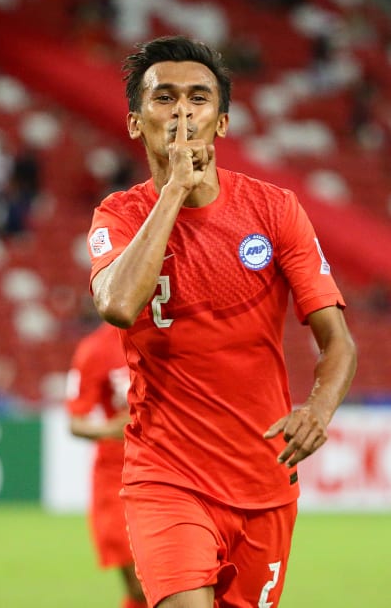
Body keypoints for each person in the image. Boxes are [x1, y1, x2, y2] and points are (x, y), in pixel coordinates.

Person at [86, 35, 357, 607]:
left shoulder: (274, 210)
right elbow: (116, 305)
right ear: (136, 123)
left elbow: (339, 344)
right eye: (163, 98)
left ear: (223, 121)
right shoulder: (118, 214)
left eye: (198, 97)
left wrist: (318, 409)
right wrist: (175, 190)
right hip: (166, 477)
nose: (182, 110)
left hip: (263, 482)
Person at [64, 322, 147, 608]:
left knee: (172, 581)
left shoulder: (168, 327)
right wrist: (113, 428)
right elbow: (76, 422)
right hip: (117, 477)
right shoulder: (95, 348)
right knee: (140, 585)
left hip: (169, 467)